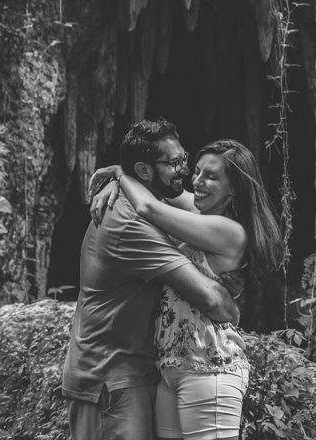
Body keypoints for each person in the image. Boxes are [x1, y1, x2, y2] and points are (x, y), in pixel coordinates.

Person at [89, 139, 285, 440]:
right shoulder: (199, 213)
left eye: (211, 176)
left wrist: (119, 173)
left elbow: (148, 206)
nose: (197, 181)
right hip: (170, 367)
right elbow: (163, 194)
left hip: (210, 368)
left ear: (234, 189)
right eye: (196, 172)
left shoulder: (229, 230)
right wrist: (115, 183)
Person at [61, 120, 241, 440]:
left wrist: (120, 175)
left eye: (183, 159)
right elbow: (213, 301)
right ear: (144, 171)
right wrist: (231, 307)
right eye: (174, 164)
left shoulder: (147, 205)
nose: (185, 172)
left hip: (128, 373)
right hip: (109, 377)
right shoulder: (130, 222)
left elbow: (172, 204)